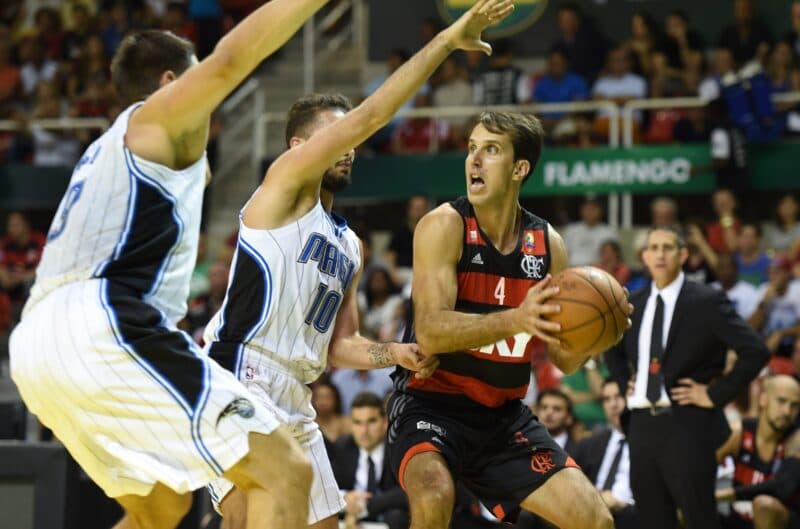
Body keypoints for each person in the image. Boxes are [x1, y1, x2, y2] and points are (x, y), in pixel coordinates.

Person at [8, 2, 334, 528]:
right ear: (169, 82)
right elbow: (231, 61)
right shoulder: (158, 116)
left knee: (160, 507)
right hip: (101, 323)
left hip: (38, 345)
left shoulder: (107, 148)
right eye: (195, 75)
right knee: (286, 470)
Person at [203, 2, 516, 528]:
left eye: (351, 143)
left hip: (296, 394)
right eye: (340, 138)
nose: (351, 150)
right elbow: (372, 116)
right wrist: (444, 42)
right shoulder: (279, 190)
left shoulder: (350, 244)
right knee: (248, 520)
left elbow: (339, 345)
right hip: (239, 374)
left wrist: (396, 351)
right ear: (300, 148)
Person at [387, 110, 629, 529]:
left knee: (596, 521)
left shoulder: (547, 244)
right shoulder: (444, 225)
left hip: (502, 419)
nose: (474, 160)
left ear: (520, 169)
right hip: (430, 406)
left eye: (491, 150)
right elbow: (430, 331)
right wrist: (518, 318)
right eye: (472, 148)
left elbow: (564, 359)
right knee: (434, 495)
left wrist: (604, 333)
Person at [605, 225, 770, 529]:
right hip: (641, 426)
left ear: (683, 254)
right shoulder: (632, 303)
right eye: (653, 248)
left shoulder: (707, 300)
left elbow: (755, 350)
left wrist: (715, 394)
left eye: (667, 247)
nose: (660, 254)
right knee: (652, 520)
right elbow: (609, 348)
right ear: (643, 256)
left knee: (699, 519)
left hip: (687, 424)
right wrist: (623, 380)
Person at [715, 375, 800, 529]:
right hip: (737, 519)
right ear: (763, 399)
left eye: (794, 405)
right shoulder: (740, 431)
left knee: (764, 505)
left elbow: (783, 489)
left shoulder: (796, 439)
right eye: (781, 401)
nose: (787, 411)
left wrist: (726, 494)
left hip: (783, 521)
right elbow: (701, 468)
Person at [332, 392, 409, 529]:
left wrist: (365, 506)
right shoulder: (342, 447)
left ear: (385, 422)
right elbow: (326, 487)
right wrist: (345, 498)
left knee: (398, 516)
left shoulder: (398, 448)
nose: (364, 431)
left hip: (387, 514)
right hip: (349, 514)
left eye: (371, 421)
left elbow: (406, 492)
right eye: (358, 423)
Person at [573, 379, 640, 529]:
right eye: (607, 399)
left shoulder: (650, 442)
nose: (613, 405)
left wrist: (620, 505)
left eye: (618, 397)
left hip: (632, 517)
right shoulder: (591, 443)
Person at [562, 197, 618, 267]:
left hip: (598, 271)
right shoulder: (571, 230)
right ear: (581, 211)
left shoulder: (609, 232)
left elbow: (612, 259)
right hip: (571, 269)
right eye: (587, 209)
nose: (590, 212)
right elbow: (564, 254)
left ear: (600, 211)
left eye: (593, 209)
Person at [712, 253, 760, 321]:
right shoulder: (708, 290)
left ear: (736, 269)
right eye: (721, 267)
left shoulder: (750, 292)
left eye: (727, 267)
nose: (724, 271)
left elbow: (753, 323)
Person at [536, 388, 578, 454]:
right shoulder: (524, 446)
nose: (549, 413)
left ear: (569, 418)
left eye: (557, 409)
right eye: (544, 407)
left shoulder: (580, 450)